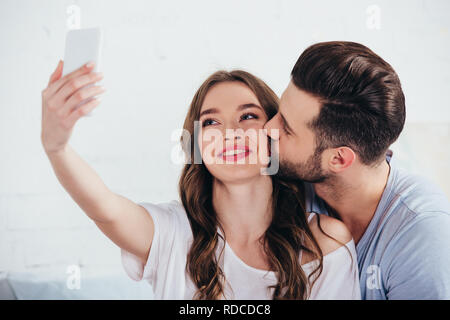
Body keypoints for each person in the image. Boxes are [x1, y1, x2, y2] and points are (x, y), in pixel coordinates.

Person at [41, 61, 360, 299]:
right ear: (194, 145)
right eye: (210, 122)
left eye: (248, 116)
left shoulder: (324, 242)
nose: (229, 133)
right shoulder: (170, 232)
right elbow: (105, 209)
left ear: (275, 131)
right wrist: (56, 147)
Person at [264, 41, 450, 299]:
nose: (268, 128)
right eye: (279, 113)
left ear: (339, 159)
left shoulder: (421, 236)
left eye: (286, 128)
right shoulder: (285, 185)